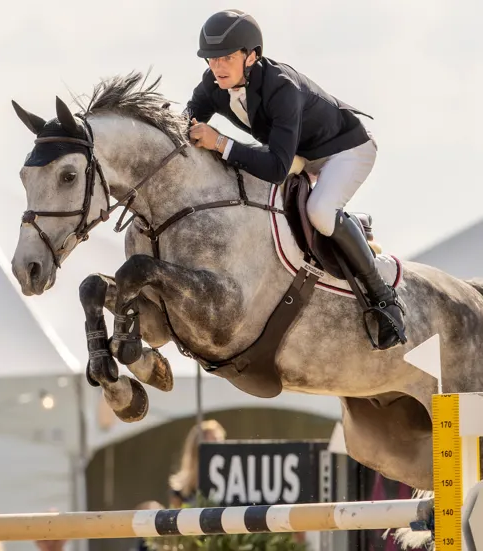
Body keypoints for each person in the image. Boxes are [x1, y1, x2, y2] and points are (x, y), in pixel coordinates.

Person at [184, 9, 406, 350]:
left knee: (320, 211)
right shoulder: (213, 83)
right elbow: (186, 121)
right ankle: (349, 224)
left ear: (251, 56)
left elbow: (275, 167)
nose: (218, 67)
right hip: (299, 153)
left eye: (227, 58)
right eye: (212, 59)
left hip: (346, 150)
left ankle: (383, 297)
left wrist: (220, 143)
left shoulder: (281, 87)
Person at [167, 419, 226, 508]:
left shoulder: (230, 487)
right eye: (211, 443)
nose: (217, 449)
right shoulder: (179, 491)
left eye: (219, 442)